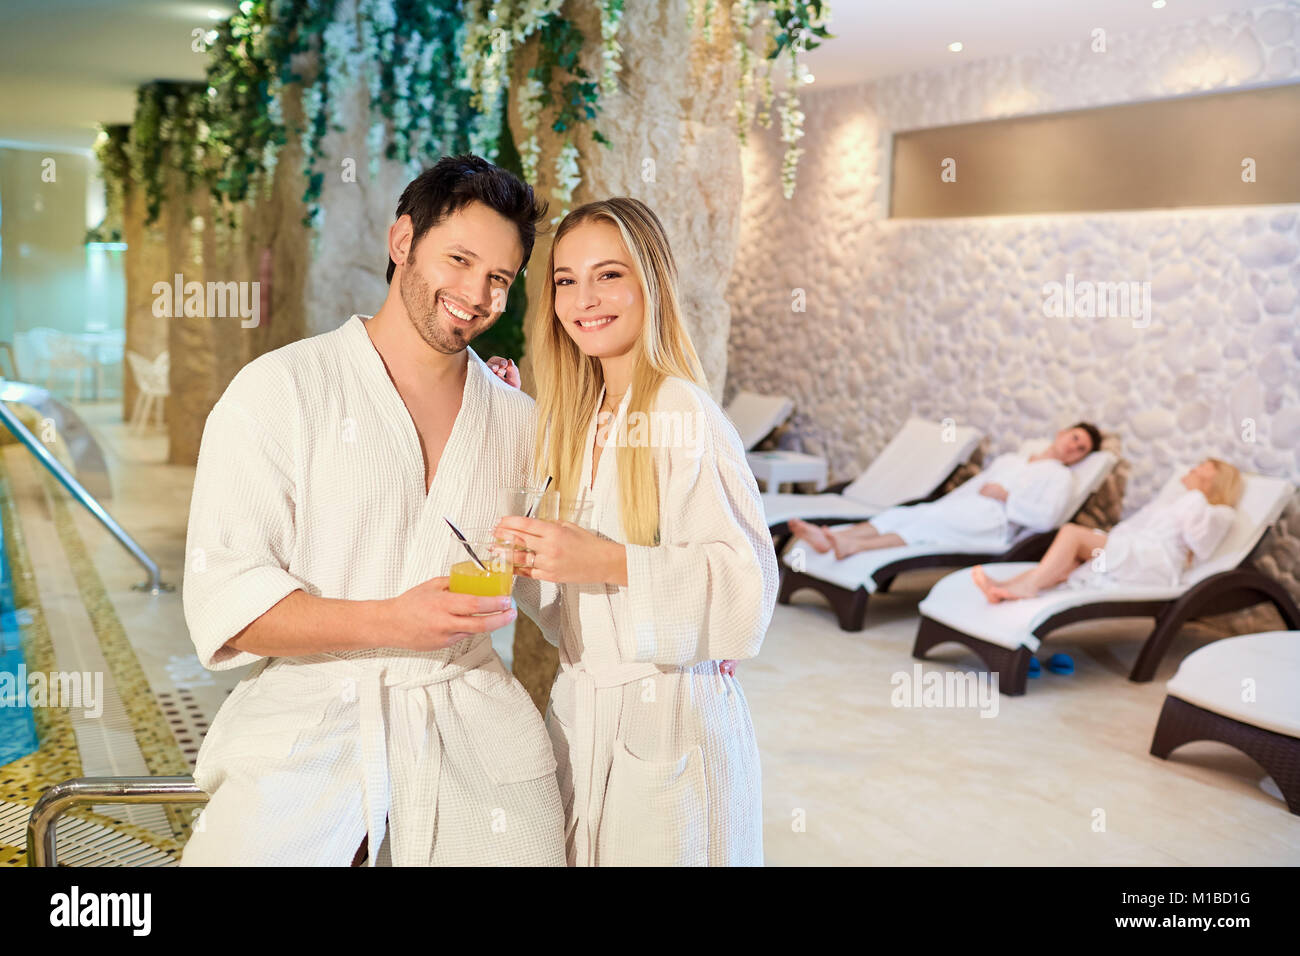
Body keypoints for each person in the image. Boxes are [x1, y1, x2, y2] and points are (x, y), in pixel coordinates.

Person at [181, 155, 565, 866]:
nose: (475, 293)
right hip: (313, 722)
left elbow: (563, 592)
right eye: (459, 258)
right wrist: (393, 621)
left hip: (473, 728)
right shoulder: (280, 390)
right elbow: (226, 597)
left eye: (499, 279)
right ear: (402, 242)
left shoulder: (520, 425)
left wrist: (684, 647)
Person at [493, 198, 778, 866]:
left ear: (650, 284)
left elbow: (747, 591)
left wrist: (612, 560)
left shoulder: (682, 411)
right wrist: (537, 561)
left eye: (609, 275)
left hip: (670, 719)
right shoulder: (581, 418)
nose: (584, 299)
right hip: (582, 711)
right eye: (566, 280)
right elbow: (573, 619)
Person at [788, 423, 1102, 560]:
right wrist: (942, 503)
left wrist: (1008, 498)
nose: (1074, 447)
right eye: (1074, 438)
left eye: (1082, 448)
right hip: (966, 508)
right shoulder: (1011, 460)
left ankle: (851, 545)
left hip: (994, 523)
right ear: (1061, 434)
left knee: (927, 525)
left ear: (1081, 458)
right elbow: (971, 487)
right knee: (908, 513)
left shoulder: (1061, 478)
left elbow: (1047, 519)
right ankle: (839, 538)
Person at [972, 458, 1242, 602]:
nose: (1193, 469)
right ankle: (1009, 586)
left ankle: (1027, 586)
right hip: (1137, 548)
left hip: (1155, 562)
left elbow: (1201, 544)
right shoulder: (1181, 501)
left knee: (1072, 534)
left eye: (1201, 467)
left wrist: (1195, 496)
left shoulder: (1218, 513)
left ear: (1214, 479)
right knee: (1073, 556)